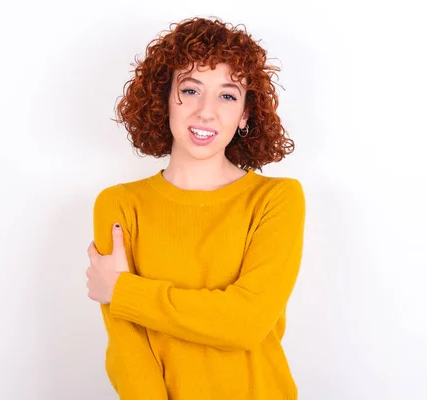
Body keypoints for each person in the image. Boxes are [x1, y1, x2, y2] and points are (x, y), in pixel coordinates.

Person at [85, 17, 306, 400]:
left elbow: (246, 322)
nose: (206, 112)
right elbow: (129, 351)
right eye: (190, 90)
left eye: (227, 95)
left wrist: (124, 291)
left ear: (245, 115)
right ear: (163, 97)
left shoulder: (276, 199)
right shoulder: (119, 204)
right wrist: (123, 297)